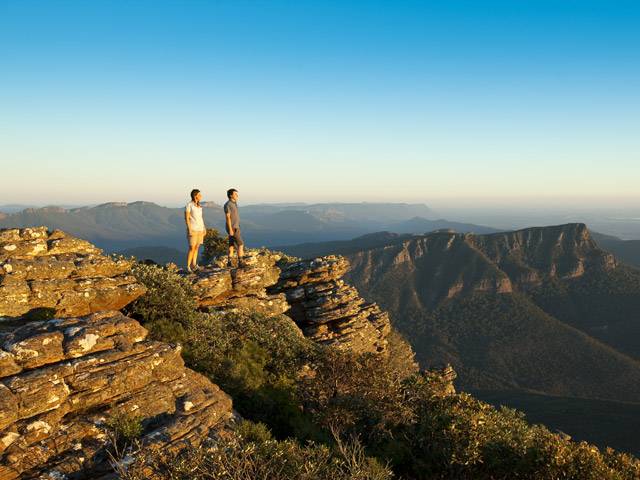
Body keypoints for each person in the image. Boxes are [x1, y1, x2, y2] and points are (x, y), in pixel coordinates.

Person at [185, 188, 205, 272]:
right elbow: (186, 218)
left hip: (200, 229)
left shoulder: (199, 206)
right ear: (195, 196)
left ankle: (194, 265)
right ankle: (188, 266)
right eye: (199, 195)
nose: (201, 196)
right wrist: (189, 229)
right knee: (191, 248)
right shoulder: (189, 205)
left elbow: (201, 218)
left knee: (197, 247)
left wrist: (204, 228)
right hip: (193, 229)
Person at [224, 188, 245, 267]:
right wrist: (230, 229)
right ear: (230, 195)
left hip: (234, 226)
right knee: (241, 244)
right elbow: (228, 217)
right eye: (235, 194)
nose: (237, 196)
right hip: (233, 227)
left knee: (231, 244)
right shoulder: (228, 204)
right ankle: (241, 262)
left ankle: (229, 262)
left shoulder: (234, 203)